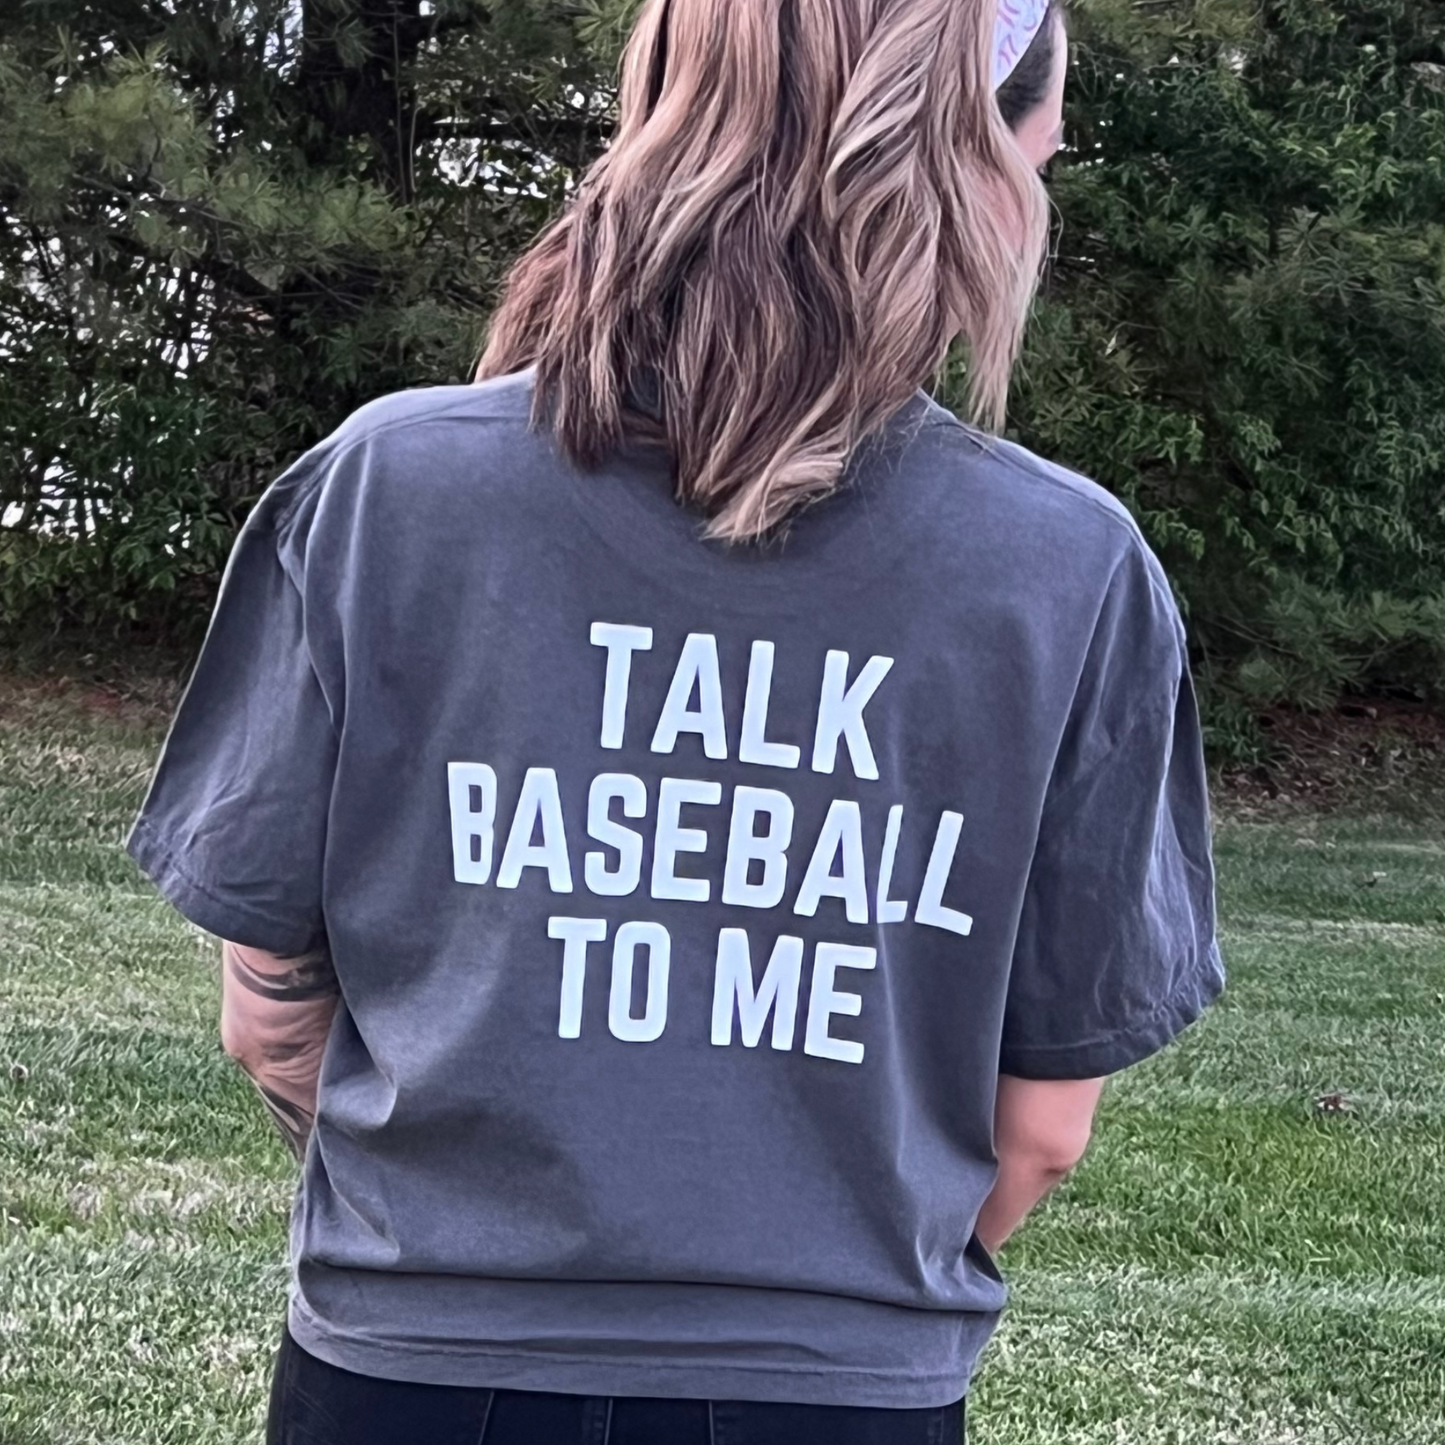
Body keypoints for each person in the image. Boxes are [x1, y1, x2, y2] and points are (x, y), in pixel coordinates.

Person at [124, 0, 1225, 1441]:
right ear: (970, 167)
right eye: (1043, 164)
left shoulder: (385, 493)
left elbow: (271, 1024)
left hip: (412, 1374)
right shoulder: (1069, 569)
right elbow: (1040, 1134)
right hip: (838, 1396)